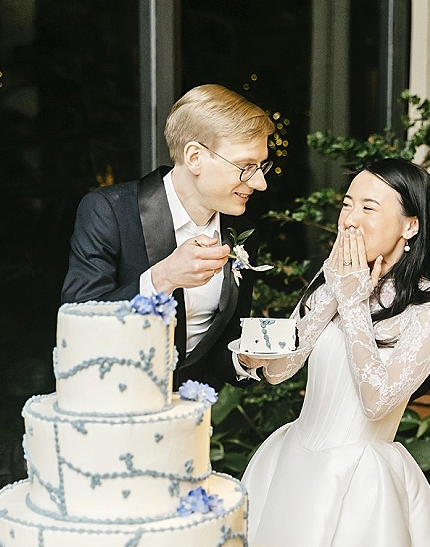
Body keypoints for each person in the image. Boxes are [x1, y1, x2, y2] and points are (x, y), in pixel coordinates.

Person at [241, 157, 430, 547]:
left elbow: (377, 400)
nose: (350, 218)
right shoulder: (336, 278)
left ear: (410, 225)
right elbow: (283, 368)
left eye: (369, 206)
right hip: (293, 462)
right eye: (347, 203)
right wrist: (253, 358)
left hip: (359, 479)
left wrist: (351, 301)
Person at [61, 84, 275, 390]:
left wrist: (243, 360)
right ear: (195, 157)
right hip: (108, 406)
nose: (260, 182)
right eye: (245, 167)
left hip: (189, 422)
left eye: (261, 165)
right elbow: (78, 324)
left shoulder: (241, 236)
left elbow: (213, 352)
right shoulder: (109, 211)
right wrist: (162, 278)